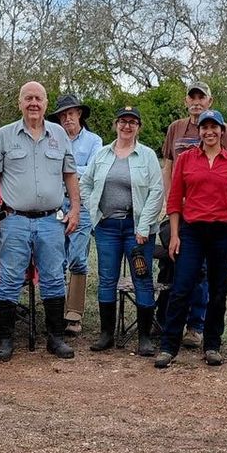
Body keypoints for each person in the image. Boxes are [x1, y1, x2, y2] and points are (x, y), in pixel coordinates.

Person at [0, 81, 81, 362]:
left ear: (46, 103)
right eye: (28, 98)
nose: (33, 103)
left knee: (52, 278)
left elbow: (70, 175)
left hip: (51, 221)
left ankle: (55, 339)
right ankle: (5, 341)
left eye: (38, 98)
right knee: (10, 279)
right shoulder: (4, 136)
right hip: (15, 220)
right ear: (20, 103)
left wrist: (75, 209)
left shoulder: (59, 135)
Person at [156, 109, 227, 369]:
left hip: (223, 232)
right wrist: (174, 234)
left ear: (222, 131)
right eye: (205, 128)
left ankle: (212, 345)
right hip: (192, 231)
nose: (209, 132)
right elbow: (175, 200)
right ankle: (168, 346)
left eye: (214, 127)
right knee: (181, 287)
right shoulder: (185, 159)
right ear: (200, 131)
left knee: (218, 292)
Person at [80, 106, 164, 355]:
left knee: (142, 278)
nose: (127, 126)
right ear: (116, 124)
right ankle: (106, 334)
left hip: (136, 228)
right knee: (107, 278)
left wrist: (144, 226)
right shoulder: (103, 154)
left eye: (132, 122)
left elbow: (156, 192)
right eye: (123, 121)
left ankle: (144, 338)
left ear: (138, 127)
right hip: (107, 226)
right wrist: (94, 210)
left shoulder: (147, 155)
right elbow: (85, 183)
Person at [161, 81, 227, 348]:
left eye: (201, 97)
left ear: (209, 101)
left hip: (217, 220)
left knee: (209, 279)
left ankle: (197, 327)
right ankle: (167, 332)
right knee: (178, 274)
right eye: (192, 97)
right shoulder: (176, 129)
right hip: (183, 213)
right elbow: (168, 166)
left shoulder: (221, 128)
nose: (196, 101)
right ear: (186, 101)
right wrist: (173, 202)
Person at [47, 94, 102, 335]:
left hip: (83, 205)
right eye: (63, 114)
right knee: (55, 260)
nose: (67, 118)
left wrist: (65, 170)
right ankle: (55, 311)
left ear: (79, 114)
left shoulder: (94, 141)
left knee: (78, 259)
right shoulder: (51, 139)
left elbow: (93, 172)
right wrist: (72, 173)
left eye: (71, 113)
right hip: (55, 204)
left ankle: (74, 314)